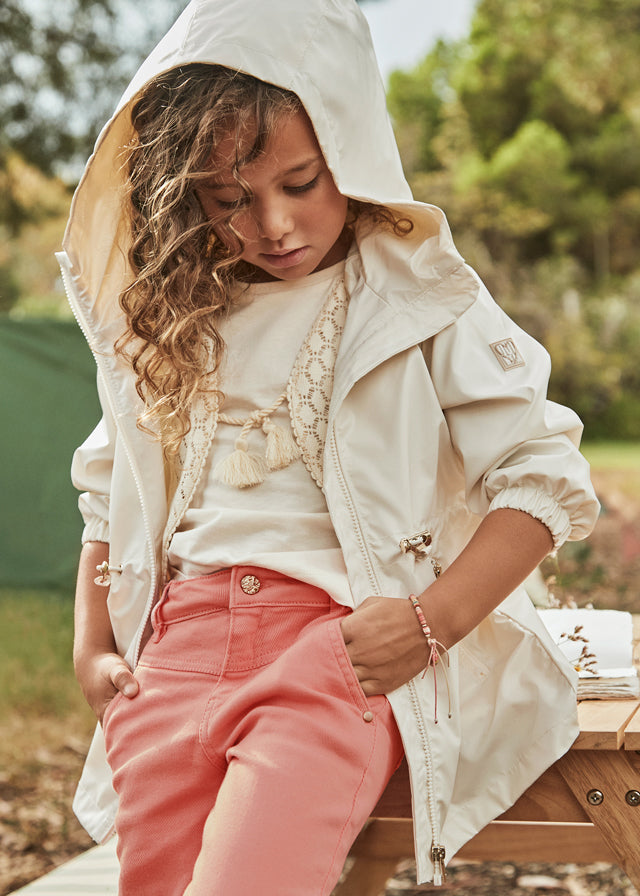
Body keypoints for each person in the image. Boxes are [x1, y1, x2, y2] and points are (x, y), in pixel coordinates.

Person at [58, 0, 600, 893]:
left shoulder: (420, 294)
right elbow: (106, 492)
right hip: (173, 653)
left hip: (337, 647)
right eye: (230, 199)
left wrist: (430, 624)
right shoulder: (169, 318)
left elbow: (542, 476)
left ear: (349, 150)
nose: (272, 225)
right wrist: (91, 647)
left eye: (301, 182)